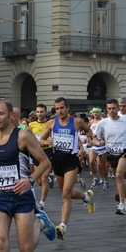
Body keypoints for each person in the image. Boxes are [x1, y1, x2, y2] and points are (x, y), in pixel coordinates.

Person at [0, 101, 56, 251]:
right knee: (0, 242)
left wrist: (31, 180)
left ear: (11, 115)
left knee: (26, 248)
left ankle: (39, 224)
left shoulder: (22, 136)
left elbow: (45, 162)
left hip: (21, 195)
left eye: (0, 113)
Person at [40, 97, 96, 240]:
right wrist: (47, 141)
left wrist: (89, 138)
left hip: (71, 161)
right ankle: (86, 196)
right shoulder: (52, 123)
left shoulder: (76, 122)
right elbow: (41, 141)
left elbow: (89, 131)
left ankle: (62, 227)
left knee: (65, 194)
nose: (59, 111)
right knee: (68, 193)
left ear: (67, 108)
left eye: (62, 108)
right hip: (57, 161)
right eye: (57, 108)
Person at [93, 99, 126, 214]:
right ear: (106, 110)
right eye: (109, 109)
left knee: (118, 175)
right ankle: (124, 197)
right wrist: (97, 142)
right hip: (111, 154)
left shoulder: (124, 120)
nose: (112, 111)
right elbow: (94, 137)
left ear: (118, 109)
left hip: (124, 151)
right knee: (121, 179)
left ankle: (121, 205)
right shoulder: (103, 123)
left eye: (114, 108)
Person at [28, 104, 54, 210]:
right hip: (36, 153)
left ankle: (42, 203)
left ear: (46, 112)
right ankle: (50, 179)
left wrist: (49, 140)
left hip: (48, 152)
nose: (39, 114)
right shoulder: (31, 125)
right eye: (38, 112)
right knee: (38, 181)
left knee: (43, 178)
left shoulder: (50, 124)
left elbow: (54, 136)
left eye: (42, 112)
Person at [88, 107, 108, 190]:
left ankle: (105, 180)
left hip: (103, 145)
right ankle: (95, 178)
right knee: (91, 162)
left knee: (102, 165)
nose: (95, 114)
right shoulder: (91, 122)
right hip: (94, 144)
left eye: (97, 112)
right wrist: (89, 139)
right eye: (94, 112)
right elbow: (89, 132)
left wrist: (104, 140)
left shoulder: (104, 121)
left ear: (100, 113)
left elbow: (108, 132)